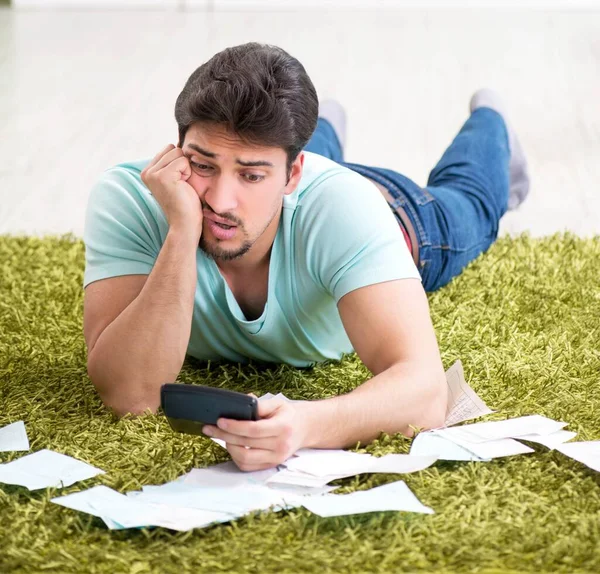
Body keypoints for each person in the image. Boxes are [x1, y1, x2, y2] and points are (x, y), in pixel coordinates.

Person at [83, 43, 529, 471]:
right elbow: (130, 396)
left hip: (396, 217)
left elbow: (426, 392)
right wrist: (182, 231)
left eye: (251, 174)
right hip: (301, 200)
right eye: (203, 165)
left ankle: (492, 121)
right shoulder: (133, 197)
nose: (220, 201)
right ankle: (324, 130)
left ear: (292, 173)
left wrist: (304, 424)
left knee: (470, 200)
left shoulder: (345, 208)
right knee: (263, 180)